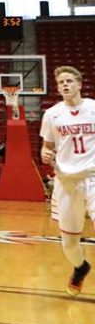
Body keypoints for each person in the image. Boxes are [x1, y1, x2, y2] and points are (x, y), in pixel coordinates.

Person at [40, 65, 95, 296]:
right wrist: (44, 153)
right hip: (66, 182)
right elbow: (47, 146)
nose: (65, 84)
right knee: (69, 244)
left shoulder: (93, 108)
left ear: (79, 84)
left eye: (69, 81)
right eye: (61, 82)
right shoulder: (52, 114)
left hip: (93, 176)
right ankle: (81, 267)